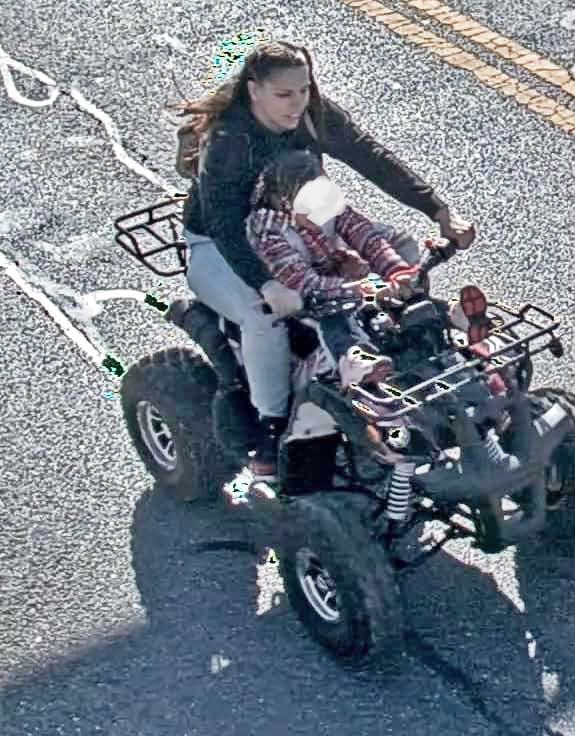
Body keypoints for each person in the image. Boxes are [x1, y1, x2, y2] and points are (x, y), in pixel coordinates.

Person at [168, 39, 475, 480]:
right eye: (284, 94)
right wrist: (266, 284)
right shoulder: (229, 140)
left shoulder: (312, 114)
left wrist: (439, 211)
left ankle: (412, 355)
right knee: (262, 316)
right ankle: (271, 427)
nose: (297, 104)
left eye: (304, 90)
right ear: (254, 91)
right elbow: (222, 224)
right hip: (222, 244)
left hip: (307, 224)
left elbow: (371, 157)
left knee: (403, 248)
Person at [246, 148, 420, 402]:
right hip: (299, 299)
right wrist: (364, 288)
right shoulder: (267, 230)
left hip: (342, 277)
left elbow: (366, 236)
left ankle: (442, 323)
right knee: (335, 314)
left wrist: (396, 270)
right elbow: (305, 284)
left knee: (406, 287)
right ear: (286, 201)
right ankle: (354, 358)